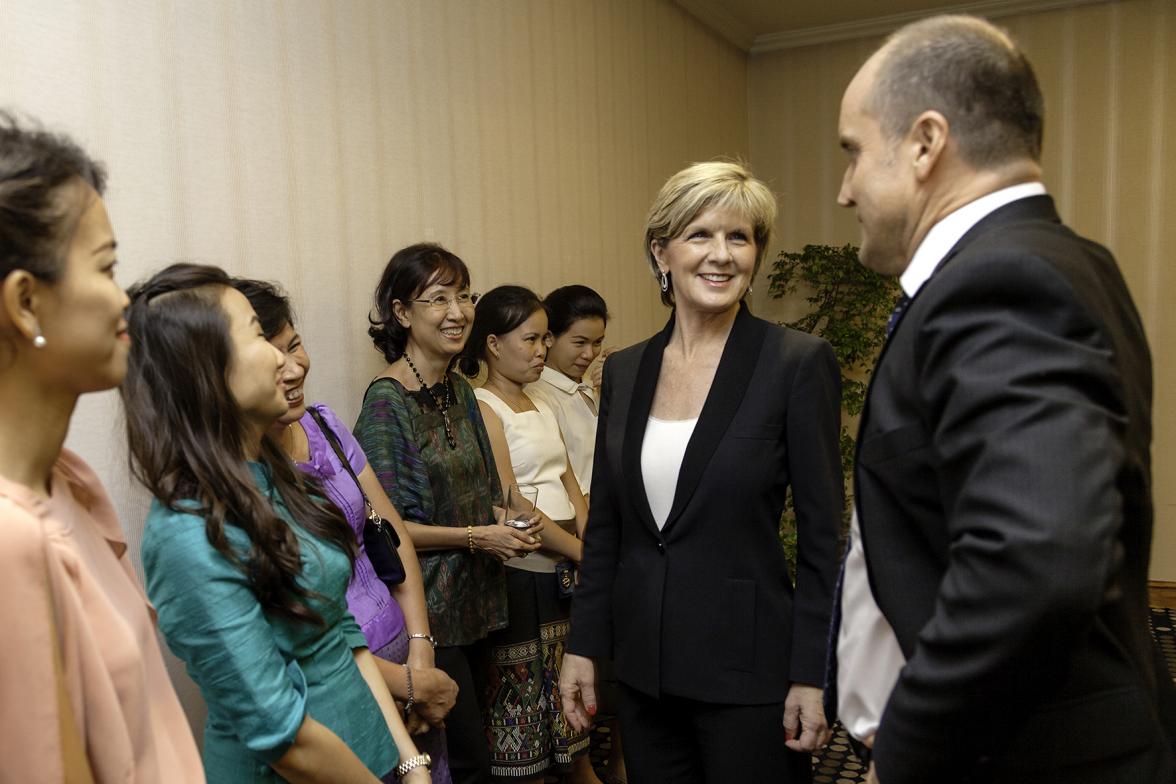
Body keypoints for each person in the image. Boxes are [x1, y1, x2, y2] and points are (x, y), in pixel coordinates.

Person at [831, 15, 1176, 784]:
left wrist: (909, 749)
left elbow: (1037, 556)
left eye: (853, 153)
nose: (845, 189)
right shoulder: (1053, 261)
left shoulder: (999, 282)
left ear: (925, 143)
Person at [560, 161, 843, 783]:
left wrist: (811, 672)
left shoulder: (795, 363)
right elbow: (608, 525)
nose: (722, 255)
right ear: (662, 251)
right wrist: (584, 646)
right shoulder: (627, 371)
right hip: (643, 672)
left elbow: (826, 539)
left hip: (749, 671)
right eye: (701, 236)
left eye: (740, 237)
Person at [123, 263, 430, 783]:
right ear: (205, 371)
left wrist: (410, 761)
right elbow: (281, 736)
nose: (285, 363)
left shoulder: (274, 475)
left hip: (373, 757)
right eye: (258, 338)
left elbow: (339, 629)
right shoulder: (187, 532)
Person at [0, 113, 204, 783]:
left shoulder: (70, 481)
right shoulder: (10, 539)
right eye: (107, 268)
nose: (125, 300)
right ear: (26, 303)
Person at [233, 277, 458, 783]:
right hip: (340, 685)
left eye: (294, 345)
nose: (291, 368)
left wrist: (420, 648)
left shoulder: (325, 425)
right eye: (270, 355)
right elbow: (290, 638)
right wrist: (407, 683)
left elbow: (391, 533)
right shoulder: (240, 481)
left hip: (403, 651)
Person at [356, 243, 541, 784]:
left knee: (485, 755)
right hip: (430, 616)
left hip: (480, 603)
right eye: (438, 299)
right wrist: (475, 537)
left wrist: (513, 525)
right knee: (465, 763)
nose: (457, 311)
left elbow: (490, 492)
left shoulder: (460, 388)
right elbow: (386, 529)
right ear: (400, 312)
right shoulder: (386, 402)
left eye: (464, 295)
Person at [458, 285, 597, 784]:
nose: (542, 351)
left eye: (545, 339)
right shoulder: (482, 405)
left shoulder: (540, 400)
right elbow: (511, 501)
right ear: (493, 344)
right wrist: (581, 552)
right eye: (531, 339)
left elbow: (568, 480)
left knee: (569, 694)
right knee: (524, 699)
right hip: (524, 568)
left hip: (568, 563)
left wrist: (588, 544)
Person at [526, 285, 609, 501]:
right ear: (549, 338)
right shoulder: (537, 395)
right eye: (580, 343)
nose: (589, 354)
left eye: (597, 342)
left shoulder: (594, 386)